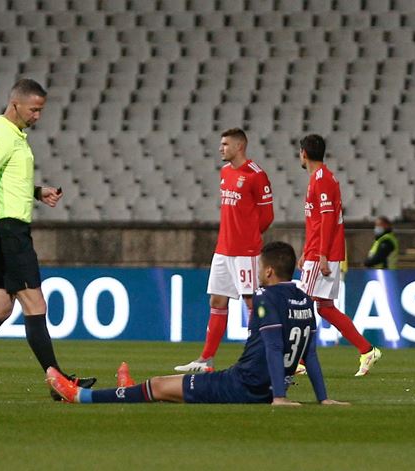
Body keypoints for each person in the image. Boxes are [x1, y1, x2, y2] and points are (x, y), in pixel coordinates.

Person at [0, 79, 95, 401]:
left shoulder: (15, 136)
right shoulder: (1, 135)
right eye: (34, 109)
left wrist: (37, 192)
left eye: (41, 110)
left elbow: (3, 180)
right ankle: (58, 383)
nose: (38, 116)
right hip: (8, 231)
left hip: (9, 228)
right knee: (36, 304)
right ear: (15, 105)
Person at [47, 242, 348, 406]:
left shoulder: (265, 298)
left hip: (241, 386)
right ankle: (130, 392)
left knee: (158, 385)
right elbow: (309, 354)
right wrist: (323, 398)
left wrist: (279, 398)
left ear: (269, 271)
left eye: (259, 267)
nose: (256, 272)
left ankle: (82, 396)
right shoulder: (304, 298)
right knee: (168, 389)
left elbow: (272, 347)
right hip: (262, 388)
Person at [174, 128, 274, 372]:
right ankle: (206, 360)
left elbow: (267, 216)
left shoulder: (256, 175)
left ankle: (261, 357)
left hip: (246, 252)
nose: (221, 148)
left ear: (239, 146)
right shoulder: (225, 172)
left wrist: (248, 236)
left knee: (252, 303)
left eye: (225, 144)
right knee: (217, 300)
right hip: (223, 249)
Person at [298, 134, 382, 377]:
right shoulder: (320, 178)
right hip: (317, 251)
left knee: (302, 305)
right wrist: (306, 251)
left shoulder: (322, 180)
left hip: (322, 253)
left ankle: (299, 361)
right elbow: (316, 222)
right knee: (324, 307)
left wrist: (321, 254)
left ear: (304, 153)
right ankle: (367, 350)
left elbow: (327, 219)